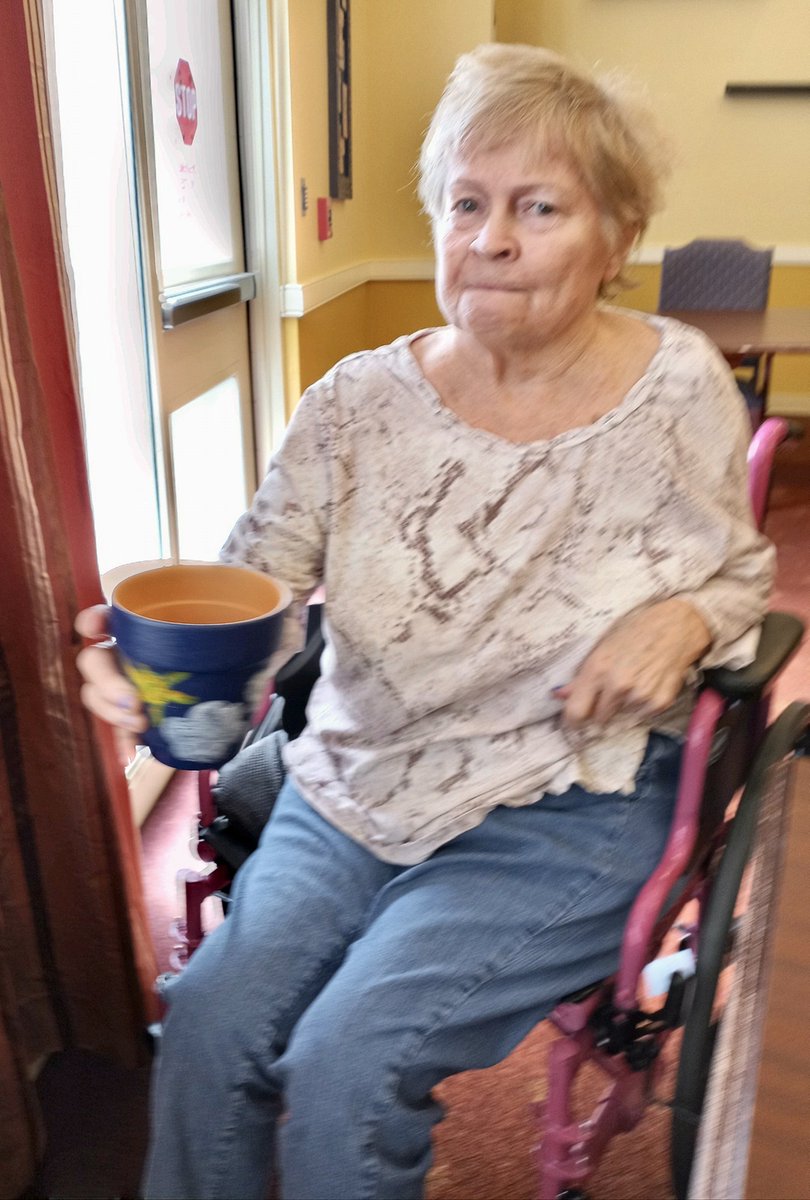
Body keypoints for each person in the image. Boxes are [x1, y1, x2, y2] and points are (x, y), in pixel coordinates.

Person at [76, 43, 774, 1200]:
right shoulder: (352, 405)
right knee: (208, 1021)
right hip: (358, 775)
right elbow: (255, 596)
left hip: (566, 801)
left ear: (615, 238)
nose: (490, 237)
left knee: (354, 1055)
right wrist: (156, 678)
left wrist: (688, 618)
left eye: (537, 207)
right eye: (465, 203)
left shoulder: (678, 384)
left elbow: (744, 575)